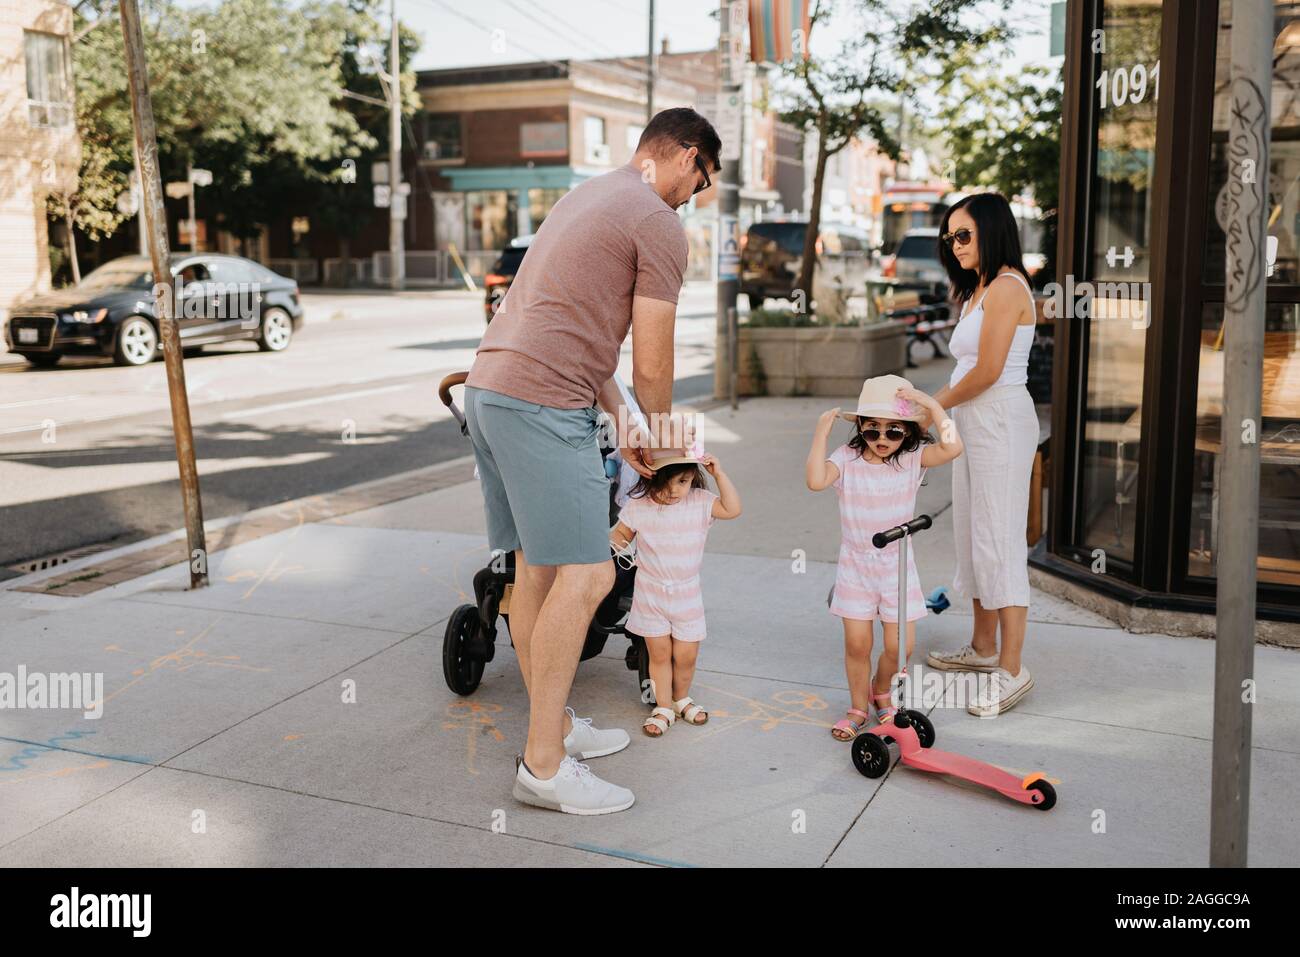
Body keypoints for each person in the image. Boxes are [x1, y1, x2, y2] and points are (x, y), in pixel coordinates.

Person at [462, 107, 721, 814]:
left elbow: (574, 324)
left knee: (537, 572)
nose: (690, 200)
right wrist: (666, 443)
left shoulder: (586, 196)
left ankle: (553, 726)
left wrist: (623, 420)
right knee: (591, 570)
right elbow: (654, 355)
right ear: (685, 155)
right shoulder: (656, 221)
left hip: (492, 392)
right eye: (697, 183)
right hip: (544, 405)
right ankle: (542, 766)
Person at [923, 192, 1040, 717]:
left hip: (999, 421)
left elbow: (989, 370)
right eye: (950, 237)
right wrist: (943, 411)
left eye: (964, 235)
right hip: (971, 421)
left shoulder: (1010, 286)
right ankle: (983, 646)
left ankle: (1012, 670)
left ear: (992, 230)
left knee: (1000, 539)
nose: (955, 244)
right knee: (973, 534)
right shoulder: (979, 288)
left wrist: (929, 406)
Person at [806, 375, 963, 741]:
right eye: (872, 429)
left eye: (893, 431)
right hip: (856, 569)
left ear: (907, 432)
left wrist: (934, 406)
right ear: (860, 427)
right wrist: (820, 435)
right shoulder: (846, 459)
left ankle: (882, 690)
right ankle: (858, 708)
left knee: (900, 648)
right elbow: (815, 480)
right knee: (857, 645)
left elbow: (952, 448)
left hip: (897, 568)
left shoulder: (911, 459)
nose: (881, 439)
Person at [609, 435, 742, 737]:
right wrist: (609, 546)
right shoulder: (638, 505)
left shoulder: (699, 502)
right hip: (651, 592)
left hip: (687, 594)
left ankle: (682, 697)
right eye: (666, 482)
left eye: (682, 481)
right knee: (658, 655)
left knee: (686, 655)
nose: (674, 490)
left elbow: (733, 509)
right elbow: (619, 538)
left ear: (693, 475)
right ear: (650, 476)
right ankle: (663, 706)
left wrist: (719, 473)